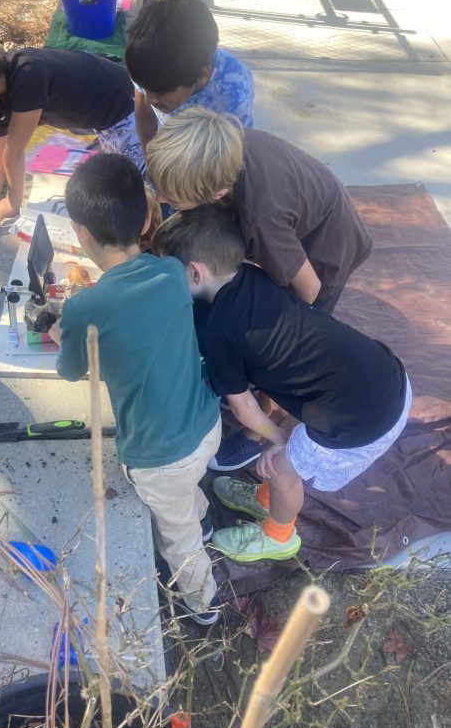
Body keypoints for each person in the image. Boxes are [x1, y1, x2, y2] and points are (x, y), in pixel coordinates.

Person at [152, 205, 411, 564]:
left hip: (362, 419)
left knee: (283, 467)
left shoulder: (217, 331)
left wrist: (277, 440)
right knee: (286, 444)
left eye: (170, 272)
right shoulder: (250, 274)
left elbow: (244, 408)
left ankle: (279, 536)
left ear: (195, 272)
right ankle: (265, 499)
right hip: (385, 374)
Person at [48, 153, 221, 625]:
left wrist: (63, 335)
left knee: (178, 538)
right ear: (145, 218)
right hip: (206, 425)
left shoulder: (86, 307)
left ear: (81, 235)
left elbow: (71, 371)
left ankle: (205, 606)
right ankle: (205, 519)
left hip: (160, 457)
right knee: (187, 494)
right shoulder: (171, 272)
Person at [0, 23, 143, 274]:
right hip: (102, 121)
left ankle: (147, 256)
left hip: (128, 109)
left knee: (134, 193)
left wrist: (14, 201)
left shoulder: (28, 73)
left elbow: (13, 153)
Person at [146, 106, 372, 315]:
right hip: (314, 199)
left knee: (307, 316)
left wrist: (290, 322)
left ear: (218, 194)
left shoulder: (262, 222)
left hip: (331, 245)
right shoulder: (226, 144)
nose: (159, 198)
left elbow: (310, 288)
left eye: (173, 198)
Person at [125, 0, 254, 156]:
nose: (148, 100)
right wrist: (151, 163)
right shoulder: (146, 66)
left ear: (202, 76)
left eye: (159, 91)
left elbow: (234, 155)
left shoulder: (234, 96)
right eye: (144, 87)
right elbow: (144, 119)